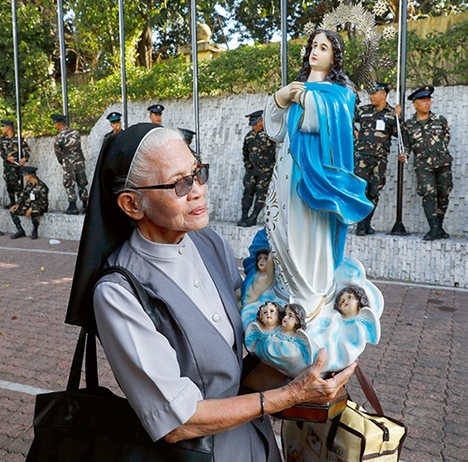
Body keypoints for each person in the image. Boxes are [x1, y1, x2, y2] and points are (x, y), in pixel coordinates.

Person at [64, 123, 355, 461]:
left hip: (256, 444)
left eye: (198, 172)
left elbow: (239, 367)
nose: (198, 190)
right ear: (132, 204)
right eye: (179, 183)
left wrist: (314, 361)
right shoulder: (118, 293)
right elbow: (177, 421)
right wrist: (289, 395)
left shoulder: (209, 243)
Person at [262, 29, 372, 317]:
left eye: (324, 48)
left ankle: (311, 295)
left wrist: (307, 100)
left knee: (308, 230)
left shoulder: (340, 93)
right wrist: (281, 96)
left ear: (335, 56)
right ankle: (286, 291)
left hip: (315, 177)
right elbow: (276, 130)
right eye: (313, 45)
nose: (316, 51)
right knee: (281, 226)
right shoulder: (297, 86)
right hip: (287, 169)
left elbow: (332, 123)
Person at [398, 85, 453, 241]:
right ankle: (434, 228)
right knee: (428, 195)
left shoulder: (440, 120)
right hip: (423, 166)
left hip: (443, 163)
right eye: (423, 100)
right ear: (415, 104)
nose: (427, 103)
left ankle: (439, 226)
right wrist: (404, 155)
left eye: (429, 100)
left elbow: (446, 138)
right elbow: (406, 145)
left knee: (444, 194)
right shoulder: (408, 125)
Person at [353, 82, 400, 235]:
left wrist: (400, 118)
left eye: (374, 93)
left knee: (374, 191)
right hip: (362, 157)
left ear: (384, 94)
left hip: (380, 160)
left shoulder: (392, 114)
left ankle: (367, 223)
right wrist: (354, 131)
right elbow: (345, 118)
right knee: (361, 189)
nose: (371, 96)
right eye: (370, 93)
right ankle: (360, 225)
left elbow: (401, 136)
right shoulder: (363, 111)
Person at [238, 110, 276, 227]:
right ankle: (244, 216)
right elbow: (245, 153)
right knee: (248, 192)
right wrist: (248, 166)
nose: (253, 126)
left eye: (255, 123)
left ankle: (253, 217)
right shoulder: (249, 136)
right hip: (251, 170)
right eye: (252, 124)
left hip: (265, 171)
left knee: (261, 193)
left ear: (263, 121)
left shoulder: (271, 135)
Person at [52, 113, 89, 215]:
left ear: (58, 124)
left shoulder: (59, 137)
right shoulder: (75, 132)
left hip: (68, 162)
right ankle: (85, 206)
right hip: (79, 160)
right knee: (82, 181)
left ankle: (73, 207)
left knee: (69, 183)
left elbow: (58, 153)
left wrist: (63, 161)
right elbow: (78, 146)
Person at [0, 119, 30, 208]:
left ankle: (20, 202)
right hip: (7, 164)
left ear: (8, 127)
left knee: (15, 183)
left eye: (3, 126)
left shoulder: (18, 138)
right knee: (8, 183)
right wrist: (6, 157)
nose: (2, 129)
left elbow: (26, 149)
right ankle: (12, 202)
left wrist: (25, 159)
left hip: (16, 165)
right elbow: (0, 151)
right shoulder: (2, 139)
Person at [9, 166, 49, 240]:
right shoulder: (29, 184)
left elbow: (42, 201)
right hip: (29, 204)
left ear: (30, 176)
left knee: (35, 211)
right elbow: (23, 195)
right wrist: (17, 204)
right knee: (13, 210)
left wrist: (31, 208)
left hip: (40, 206)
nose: (24, 177)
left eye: (25, 175)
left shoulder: (42, 186)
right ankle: (20, 230)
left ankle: (35, 231)